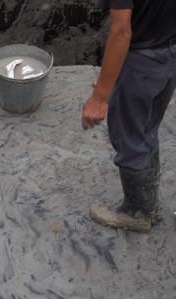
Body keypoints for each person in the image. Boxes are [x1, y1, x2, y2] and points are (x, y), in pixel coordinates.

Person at [82, 0, 176, 232]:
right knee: (147, 127)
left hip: (141, 61)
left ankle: (137, 212)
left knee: (128, 134)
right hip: (169, 54)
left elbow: (121, 32)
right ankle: (148, 200)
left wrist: (100, 96)